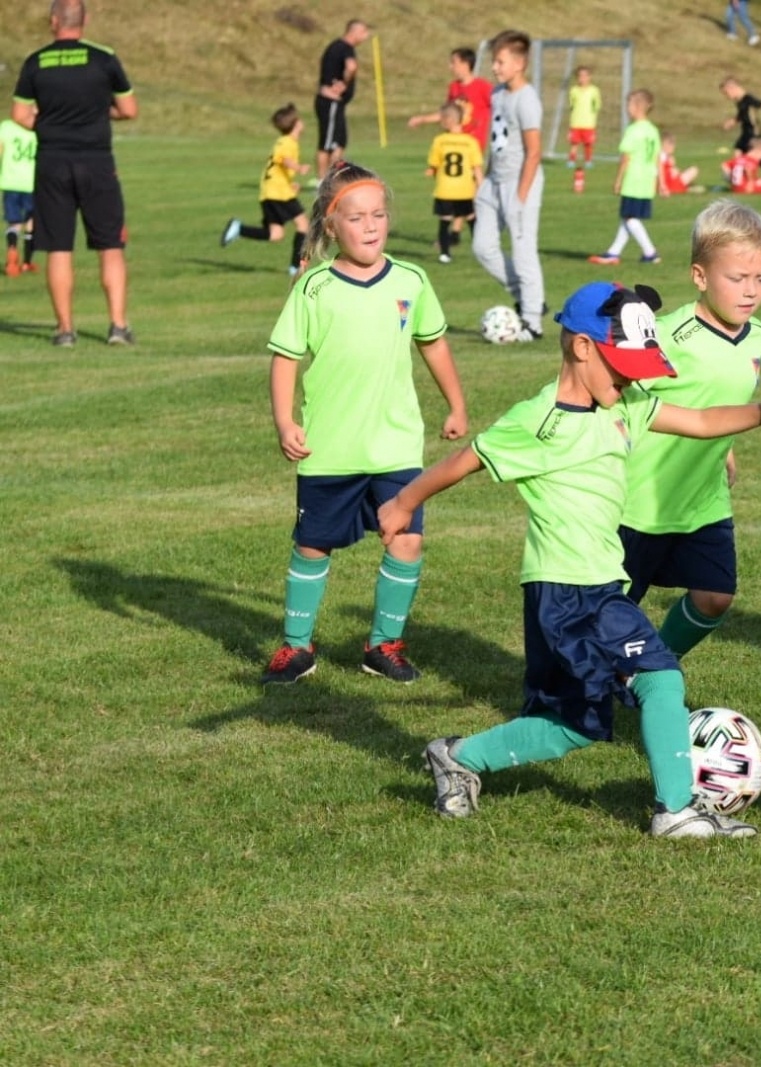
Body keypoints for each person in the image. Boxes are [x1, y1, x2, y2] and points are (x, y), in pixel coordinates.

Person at [385, 281, 761, 836]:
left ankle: (459, 757)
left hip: (582, 590)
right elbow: (468, 458)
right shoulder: (540, 421)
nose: (631, 378)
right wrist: (403, 501)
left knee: (575, 724)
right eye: (621, 367)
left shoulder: (626, 406)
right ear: (582, 347)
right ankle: (676, 811)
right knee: (660, 676)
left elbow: (701, 422)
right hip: (570, 593)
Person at [262, 162, 469, 686]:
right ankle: (295, 647)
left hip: (395, 445)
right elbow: (286, 357)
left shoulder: (411, 280)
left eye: (379, 214)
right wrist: (285, 421)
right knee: (313, 543)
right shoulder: (313, 288)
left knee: (407, 540)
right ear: (332, 225)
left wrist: (456, 404)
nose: (371, 225)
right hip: (331, 446)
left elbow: (433, 343)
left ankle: (383, 645)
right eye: (357, 217)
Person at [619, 201, 761, 659]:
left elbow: (714, 397)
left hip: (703, 499)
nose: (750, 292)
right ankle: (568, 689)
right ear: (700, 277)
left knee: (714, 596)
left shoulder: (757, 333)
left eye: (760, 279)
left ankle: (652, 667)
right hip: (640, 499)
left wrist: (723, 448)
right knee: (611, 608)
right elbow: (621, 393)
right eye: (737, 279)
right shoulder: (667, 335)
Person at [10, 0, 138, 348]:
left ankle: (65, 330)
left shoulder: (36, 61)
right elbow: (129, 109)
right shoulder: (103, 57)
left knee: (58, 248)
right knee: (110, 246)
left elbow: (20, 115)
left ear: (54, 21)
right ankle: (117, 326)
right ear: (85, 21)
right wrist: (98, 114)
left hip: (52, 163)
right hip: (96, 162)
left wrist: (51, 123)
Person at [473, 30, 546, 342]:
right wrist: (486, 181)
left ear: (519, 64)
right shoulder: (497, 94)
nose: (495, 67)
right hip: (493, 182)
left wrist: (520, 196)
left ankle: (532, 322)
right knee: (482, 247)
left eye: (500, 62)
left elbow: (534, 152)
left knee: (523, 252)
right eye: (494, 61)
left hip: (520, 184)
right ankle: (528, 296)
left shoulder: (527, 100)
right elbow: (496, 141)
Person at [219, 103, 312, 276]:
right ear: (296, 124)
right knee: (303, 225)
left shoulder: (288, 142)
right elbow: (283, 159)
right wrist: (299, 168)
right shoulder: (286, 141)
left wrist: (291, 183)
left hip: (272, 191)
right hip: (278, 193)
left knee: (275, 234)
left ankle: (239, 229)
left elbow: (279, 168)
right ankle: (295, 268)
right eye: (299, 119)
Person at [588, 89, 662, 266]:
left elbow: (626, 158)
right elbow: (657, 157)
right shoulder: (653, 130)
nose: (627, 109)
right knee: (626, 216)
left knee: (630, 218)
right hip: (646, 179)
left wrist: (618, 180)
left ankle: (650, 252)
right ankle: (614, 252)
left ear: (637, 107)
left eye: (628, 105)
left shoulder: (633, 130)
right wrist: (660, 181)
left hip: (633, 179)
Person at [424, 102, 483, 265]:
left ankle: (444, 254)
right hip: (465, 190)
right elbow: (477, 169)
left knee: (445, 221)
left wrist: (431, 171)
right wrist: (481, 187)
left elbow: (434, 166)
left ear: (448, 120)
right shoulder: (470, 142)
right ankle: (482, 251)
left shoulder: (440, 141)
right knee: (471, 218)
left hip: (445, 190)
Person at [406, 48, 494, 155]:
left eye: (453, 63)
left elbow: (499, 108)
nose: (450, 67)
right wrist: (422, 119)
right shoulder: (454, 87)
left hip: (473, 145)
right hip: (454, 142)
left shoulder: (483, 87)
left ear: (465, 64)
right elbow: (446, 114)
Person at [314, 19, 369, 179]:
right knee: (327, 143)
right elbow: (351, 66)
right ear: (354, 32)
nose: (366, 37)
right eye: (364, 32)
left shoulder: (336, 47)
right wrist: (345, 83)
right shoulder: (344, 48)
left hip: (336, 103)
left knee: (340, 141)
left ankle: (333, 177)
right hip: (330, 101)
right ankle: (322, 180)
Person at [0, 112, 38, 276]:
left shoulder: (7, 126)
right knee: (31, 222)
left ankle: (12, 254)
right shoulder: (38, 129)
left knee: (13, 222)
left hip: (9, 182)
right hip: (31, 183)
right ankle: (27, 263)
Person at [567, 66, 601, 170]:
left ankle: (588, 161)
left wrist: (593, 114)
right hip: (576, 123)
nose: (583, 78)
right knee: (574, 144)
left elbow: (597, 105)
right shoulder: (574, 90)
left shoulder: (594, 90)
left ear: (590, 77)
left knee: (588, 144)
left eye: (585, 76)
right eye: (580, 76)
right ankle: (571, 161)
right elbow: (571, 104)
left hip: (589, 123)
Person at [658, 132, 704, 196]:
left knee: (693, 170)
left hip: (670, 180)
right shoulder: (661, 155)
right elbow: (659, 170)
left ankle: (689, 187)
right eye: (671, 143)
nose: (673, 146)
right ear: (664, 144)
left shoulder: (667, 156)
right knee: (693, 170)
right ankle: (689, 188)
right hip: (668, 183)